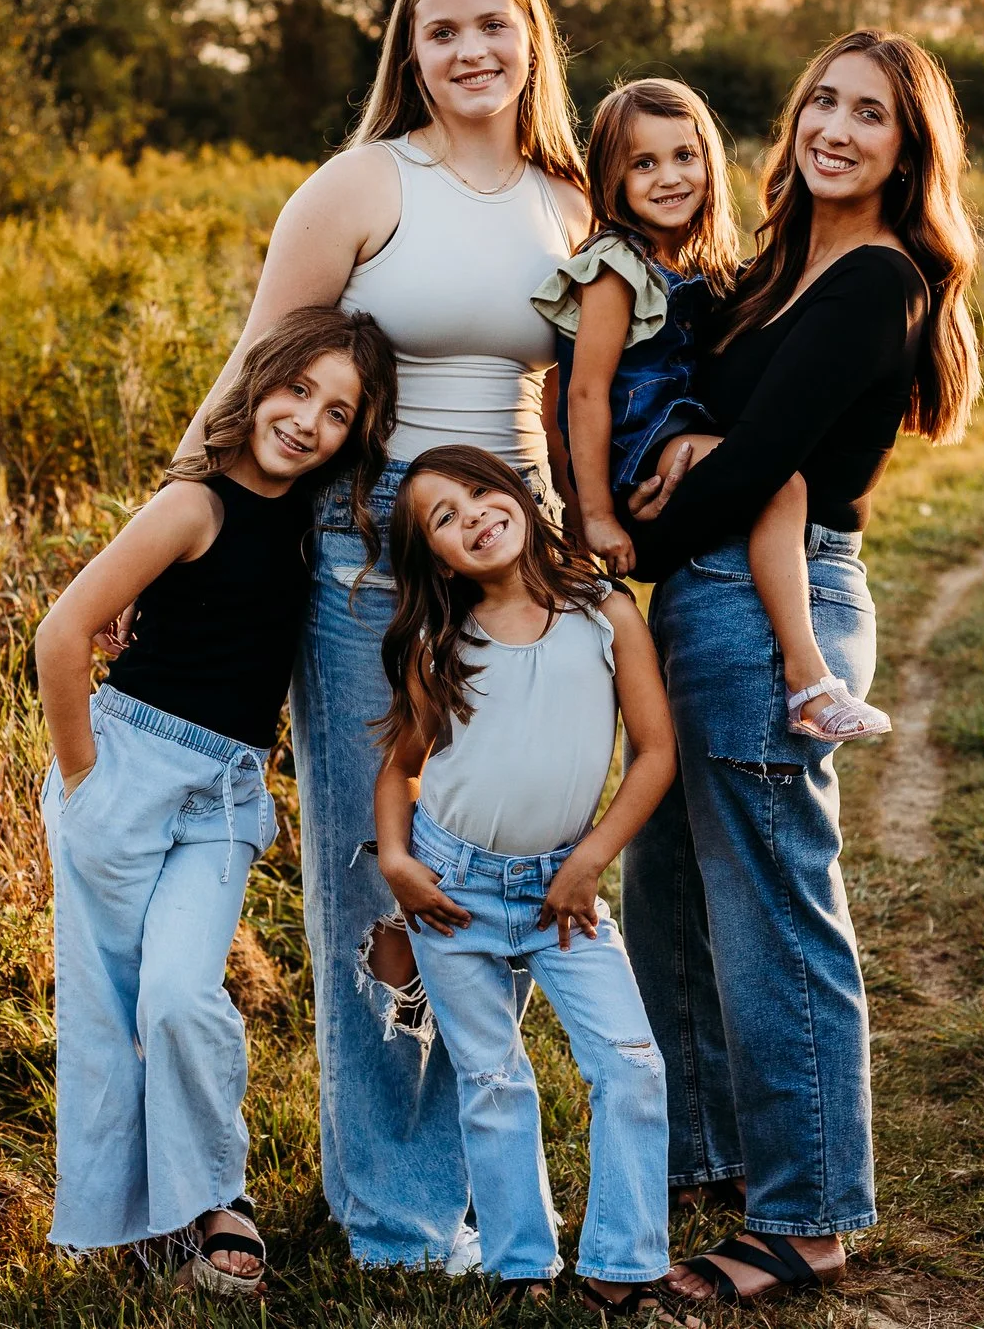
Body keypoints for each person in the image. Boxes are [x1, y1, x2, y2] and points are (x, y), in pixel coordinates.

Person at [166, 0, 589, 1267]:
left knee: (499, 862)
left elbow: (583, 397)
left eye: (493, 25)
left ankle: (475, 1175)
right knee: (381, 874)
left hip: (519, 564)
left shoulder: (568, 201)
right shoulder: (362, 184)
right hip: (367, 557)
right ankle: (397, 1213)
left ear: (533, 40)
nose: (471, 50)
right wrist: (172, 540)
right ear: (409, 51)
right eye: (441, 29)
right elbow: (255, 375)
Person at [621, 31, 982, 1305]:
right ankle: (706, 1155)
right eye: (820, 99)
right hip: (702, 598)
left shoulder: (873, 281)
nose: (834, 126)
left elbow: (739, 470)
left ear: (906, 147)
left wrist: (612, 538)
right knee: (669, 898)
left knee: (774, 908)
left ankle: (809, 1214)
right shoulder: (776, 270)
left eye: (868, 112)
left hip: (768, 598)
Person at [34, 307, 398, 1294]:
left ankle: (213, 1191)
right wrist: (83, 784)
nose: (307, 419)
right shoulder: (192, 505)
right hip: (124, 772)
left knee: (181, 992)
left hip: (226, 790)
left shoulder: (318, 521)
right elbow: (61, 636)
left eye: (337, 411)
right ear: (256, 381)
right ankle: (142, 1217)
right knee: (109, 1009)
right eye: (295, 389)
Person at [369, 445, 680, 1314]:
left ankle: (622, 1264)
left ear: (515, 490)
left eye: (477, 490)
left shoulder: (603, 612)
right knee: (494, 1079)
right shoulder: (443, 638)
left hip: (563, 891)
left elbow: (656, 753)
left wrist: (589, 860)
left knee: (631, 1063)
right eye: (442, 516)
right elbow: (400, 770)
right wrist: (397, 860)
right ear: (436, 555)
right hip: (453, 889)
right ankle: (521, 1265)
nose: (470, 514)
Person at [533, 76, 888, 740]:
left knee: (774, 486)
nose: (670, 177)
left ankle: (806, 675)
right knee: (783, 485)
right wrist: (595, 513)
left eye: (684, 156)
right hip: (640, 441)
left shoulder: (702, 264)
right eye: (644, 163)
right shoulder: (614, 266)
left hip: (675, 429)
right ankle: (809, 678)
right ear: (611, 178)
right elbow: (581, 390)